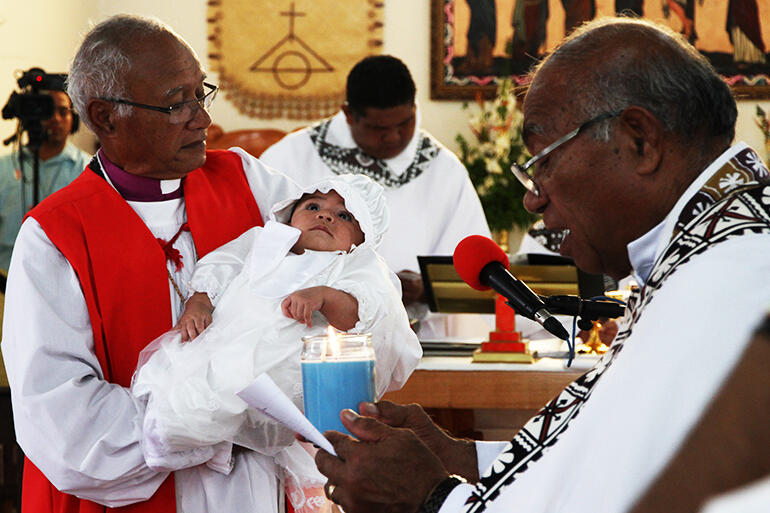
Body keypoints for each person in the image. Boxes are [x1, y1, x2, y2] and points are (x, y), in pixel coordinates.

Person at [307, 17, 770, 513]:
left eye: (542, 161)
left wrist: (430, 498)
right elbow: (614, 457)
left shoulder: (732, 281)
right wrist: (464, 459)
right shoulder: (710, 254)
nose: (532, 199)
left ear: (640, 140)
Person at [1, 14, 314, 513]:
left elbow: (333, 275)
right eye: (176, 103)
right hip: (130, 495)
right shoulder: (54, 237)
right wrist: (217, 421)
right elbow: (60, 417)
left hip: (256, 491)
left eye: (200, 93)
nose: (202, 118)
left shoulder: (252, 184)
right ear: (105, 117)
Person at [131, 174, 420, 511]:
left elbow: (366, 311)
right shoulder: (263, 241)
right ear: (290, 212)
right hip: (229, 341)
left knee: (248, 398)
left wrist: (325, 297)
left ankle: (221, 434)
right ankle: (188, 436)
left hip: (286, 362)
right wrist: (200, 303)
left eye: (344, 215)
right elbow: (221, 266)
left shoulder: (355, 264)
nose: (325, 216)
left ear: (361, 236)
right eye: (313, 206)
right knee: (187, 395)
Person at [260, 55, 491, 333]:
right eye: (379, 128)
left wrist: (424, 288)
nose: (394, 137)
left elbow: (474, 268)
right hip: (299, 332)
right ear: (348, 114)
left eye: (405, 123)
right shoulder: (289, 158)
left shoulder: (444, 170)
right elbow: (255, 250)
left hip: (413, 334)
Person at [0, 86, 90, 270]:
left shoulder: (89, 170)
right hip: (5, 279)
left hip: (66, 281)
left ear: (74, 120)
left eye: (63, 111)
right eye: (47, 110)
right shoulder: (4, 167)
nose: (55, 119)